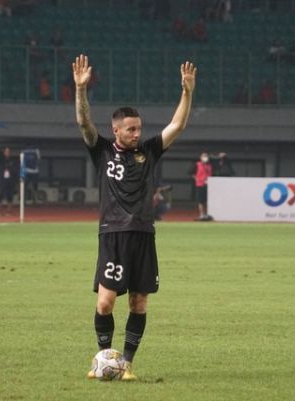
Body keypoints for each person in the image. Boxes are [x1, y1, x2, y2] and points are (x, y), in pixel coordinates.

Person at [72, 54, 196, 381]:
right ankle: (102, 356)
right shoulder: (102, 151)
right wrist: (81, 91)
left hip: (143, 234)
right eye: (130, 129)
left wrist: (187, 92)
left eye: (138, 128)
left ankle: (125, 363)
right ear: (116, 130)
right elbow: (84, 123)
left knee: (139, 304)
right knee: (105, 303)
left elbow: (178, 125)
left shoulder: (149, 152)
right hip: (112, 234)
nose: (136, 133)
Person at [191, 152, 213, 221]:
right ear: (200, 157)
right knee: (200, 201)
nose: (205, 157)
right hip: (200, 185)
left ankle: (206, 214)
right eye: (203, 156)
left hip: (208, 185)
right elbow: (191, 172)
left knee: (207, 200)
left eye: (206, 156)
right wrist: (196, 179)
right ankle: (201, 214)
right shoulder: (197, 164)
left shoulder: (210, 166)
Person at [0, 147, 16, 216]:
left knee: (9, 195)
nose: (7, 153)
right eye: (6, 152)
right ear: (4, 152)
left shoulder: (12, 161)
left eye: (8, 152)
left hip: (10, 180)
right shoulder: (1, 160)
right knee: (1, 194)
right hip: (3, 179)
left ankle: (9, 211)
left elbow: (14, 170)